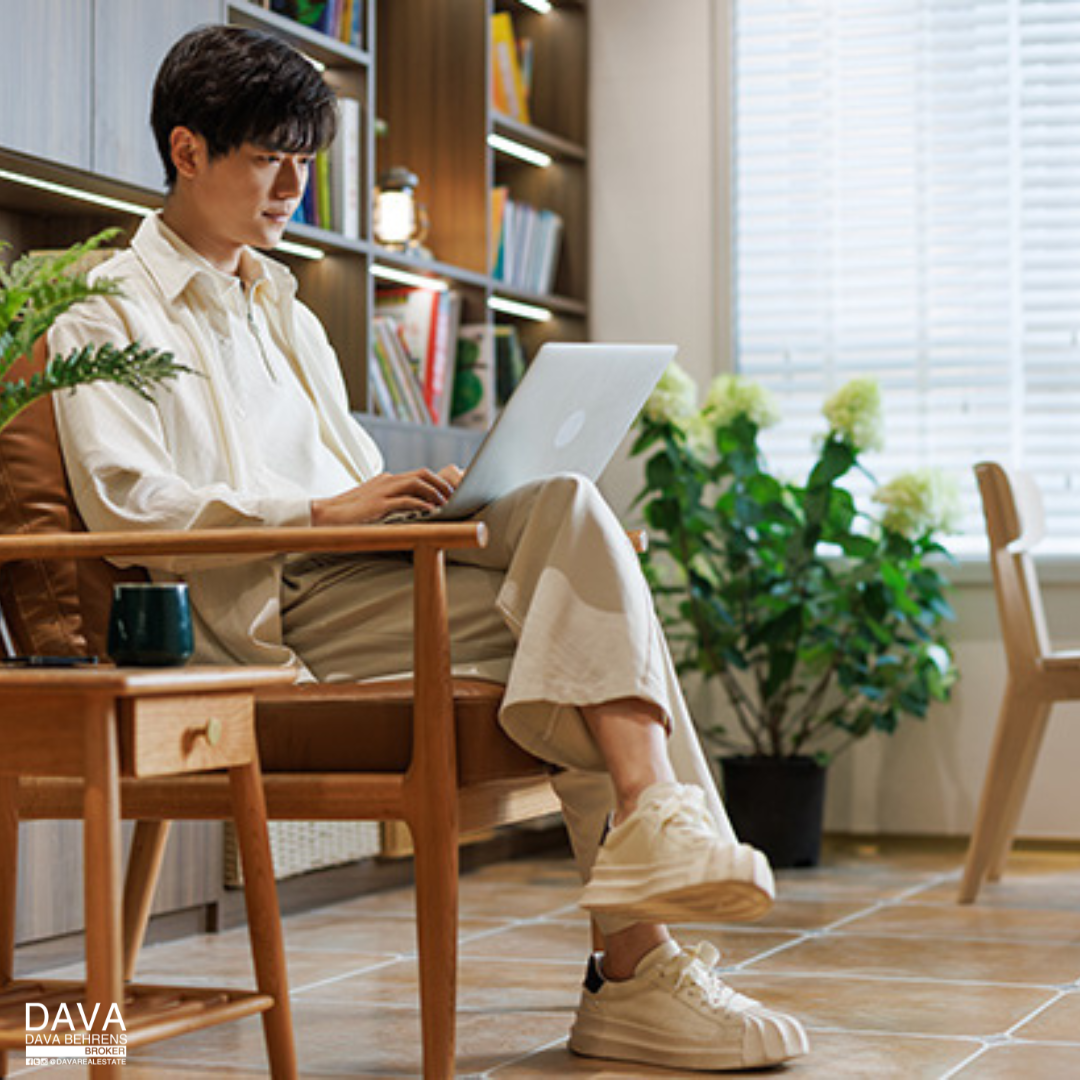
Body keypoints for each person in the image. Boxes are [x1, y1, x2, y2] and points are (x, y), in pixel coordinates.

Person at [50, 24, 808, 1072]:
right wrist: (326, 515)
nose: (291, 190)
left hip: (356, 575)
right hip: (252, 602)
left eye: (304, 165)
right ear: (187, 150)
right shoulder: (104, 305)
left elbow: (356, 476)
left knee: (569, 540)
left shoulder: (287, 309)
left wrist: (419, 509)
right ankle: (639, 935)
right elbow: (130, 504)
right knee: (579, 599)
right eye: (267, 158)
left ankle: (642, 918)